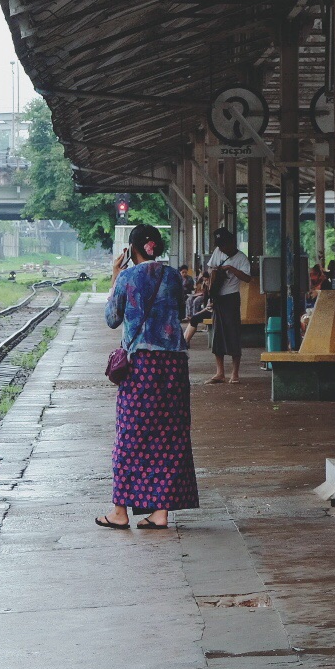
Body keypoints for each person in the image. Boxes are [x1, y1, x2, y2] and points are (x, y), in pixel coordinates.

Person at [101, 224, 197, 530]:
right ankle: (160, 513)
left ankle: (120, 511)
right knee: (170, 436)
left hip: (142, 365)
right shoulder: (174, 277)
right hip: (174, 365)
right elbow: (178, 313)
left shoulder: (128, 276)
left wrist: (116, 276)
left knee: (131, 435)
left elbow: (112, 319)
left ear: (131, 251)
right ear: (157, 246)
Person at [204, 229, 251, 384]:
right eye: (219, 246)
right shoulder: (218, 252)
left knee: (233, 334)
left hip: (231, 298)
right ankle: (220, 372)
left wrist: (231, 269)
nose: (221, 249)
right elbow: (210, 269)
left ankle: (235, 373)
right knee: (217, 335)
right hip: (218, 298)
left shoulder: (241, 259)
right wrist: (215, 275)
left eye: (223, 245)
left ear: (231, 243)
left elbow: (247, 278)